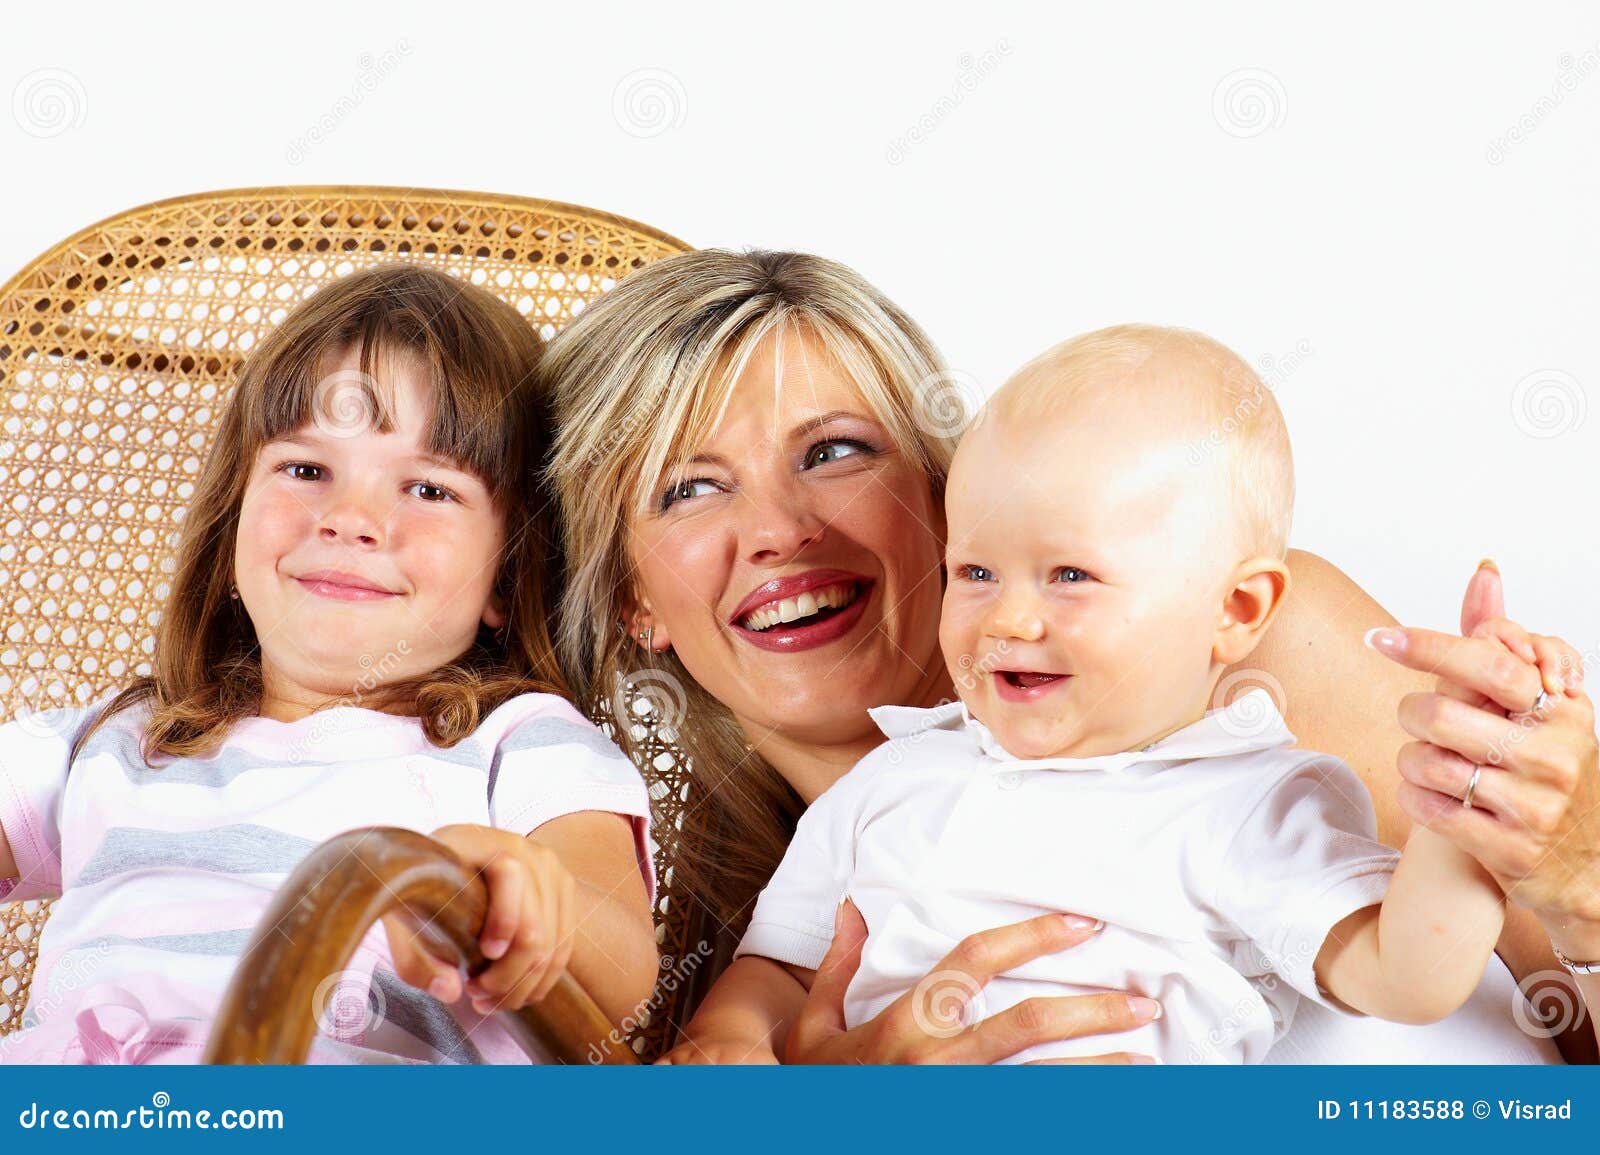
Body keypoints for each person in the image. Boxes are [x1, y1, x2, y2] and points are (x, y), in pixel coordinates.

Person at [543, 249, 1600, 1064]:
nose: (781, 530)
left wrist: (1576, 871)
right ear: (633, 598)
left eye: (835, 451)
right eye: (689, 488)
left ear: (941, 491)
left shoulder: (1239, 700)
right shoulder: (705, 920)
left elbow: (1475, 989)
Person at [0, 264, 658, 1064]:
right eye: (307, 470)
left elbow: (622, 971)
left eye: (428, 489)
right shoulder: (117, 738)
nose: (350, 518)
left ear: (507, 574)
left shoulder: (517, 744)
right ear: (230, 528)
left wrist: (522, 897)